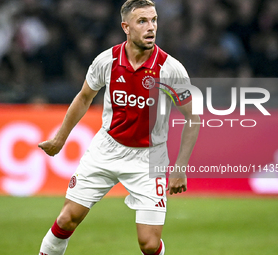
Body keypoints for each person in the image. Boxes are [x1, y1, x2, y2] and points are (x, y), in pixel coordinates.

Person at [37, 0, 200, 254]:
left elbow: (193, 117)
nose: (151, 27)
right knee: (66, 219)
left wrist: (180, 166)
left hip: (150, 156)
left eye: (154, 20)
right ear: (126, 26)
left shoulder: (170, 69)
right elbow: (83, 97)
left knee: (149, 244)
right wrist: (60, 139)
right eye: (142, 21)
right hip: (107, 148)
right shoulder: (108, 60)